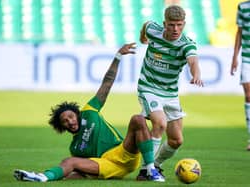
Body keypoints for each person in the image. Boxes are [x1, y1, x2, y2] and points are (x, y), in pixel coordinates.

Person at [13, 43, 165, 182]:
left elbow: (107, 82)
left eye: (71, 117)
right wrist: (64, 176)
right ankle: (41, 177)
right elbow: (82, 171)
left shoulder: (90, 110)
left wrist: (118, 57)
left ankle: (149, 170)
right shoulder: (75, 148)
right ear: (62, 127)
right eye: (65, 121)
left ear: (77, 114)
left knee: (138, 119)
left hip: (124, 152)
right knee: (69, 161)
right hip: (106, 165)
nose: (70, 122)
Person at [136, 5, 204, 180]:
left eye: (179, 25)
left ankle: (155, 164)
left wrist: (196, 73)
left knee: (176, 140)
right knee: (159, 123)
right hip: (148, 87)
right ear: (165, 23)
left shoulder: (186, 44)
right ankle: (147, 170)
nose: (175, 29)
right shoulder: (153, 30)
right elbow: (146, 26)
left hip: (170, 94)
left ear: (184, 24)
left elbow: (193, 61)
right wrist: (142, 37)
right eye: (172, 25)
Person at [230, 0, 250, 151]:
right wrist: (234, 57)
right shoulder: (243, 6)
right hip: (247, 57)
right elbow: (240, 32)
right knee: (248, 95)